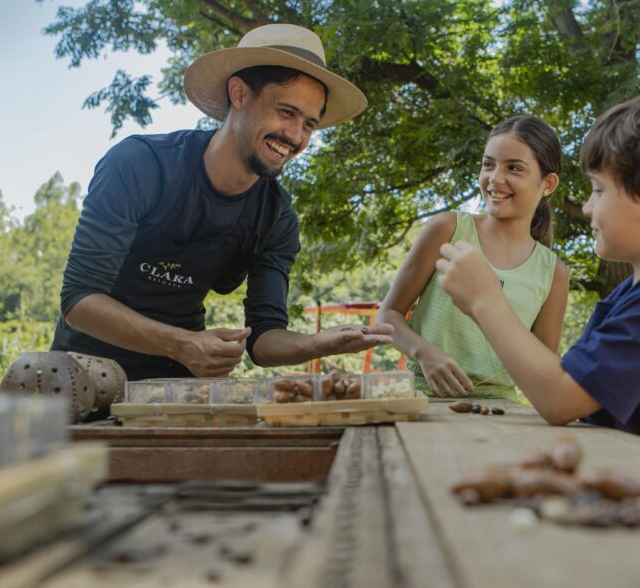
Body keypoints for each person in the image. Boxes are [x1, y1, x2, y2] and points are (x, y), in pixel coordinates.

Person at [51, 24, 393, 380]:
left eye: (309, 124)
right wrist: (183, 344)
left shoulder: (276, 219)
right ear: (239, 94)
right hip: (82, 378)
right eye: (286, 112)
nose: (294, 137)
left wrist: (319, 343)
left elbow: (263, 338)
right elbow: (79, 299)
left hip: (178, 385)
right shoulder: (141, 164)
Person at [435, 91, 640, 436]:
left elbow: (559, 398)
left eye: (598, 191)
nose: (586, 208)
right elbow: (565, 382)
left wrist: (485, 300)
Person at [378, 116, 570, 399]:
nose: (495, 178)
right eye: (488, 164)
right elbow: (388, 315)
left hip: (501, 415)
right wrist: (425, 353)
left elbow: (542, 369)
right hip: (421, 402)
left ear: (548, 184)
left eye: (514, 168)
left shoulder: (554, 273)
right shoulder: (447, 229)